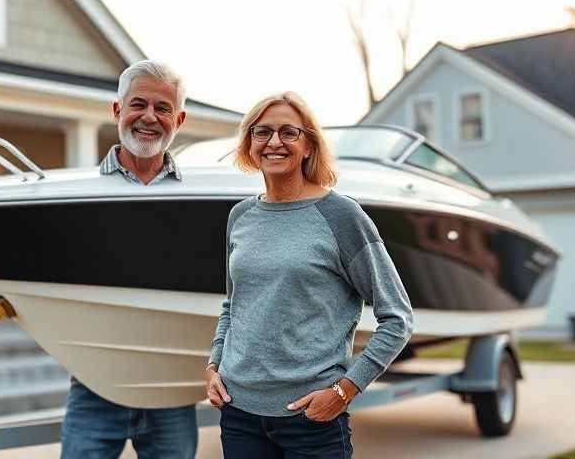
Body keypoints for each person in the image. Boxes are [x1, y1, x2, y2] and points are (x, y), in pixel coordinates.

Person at [205, 92, 413, 458]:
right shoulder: (240, 216)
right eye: (262, 132)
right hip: (239, 416)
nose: (274, 142)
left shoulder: (341, 216)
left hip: (310, 421)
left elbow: (397, 317)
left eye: (288, 132)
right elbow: (233, 305)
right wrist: (213, 365)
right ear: (249, 143)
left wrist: (344, 390)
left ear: (308, 146)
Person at [60, 59, 197, 459]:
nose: (149, 118)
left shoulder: (200, 197)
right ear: (117, 110)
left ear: (180, 119)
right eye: (138, 104)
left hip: (170, 389)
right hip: (94, 385)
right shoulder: (75, 195)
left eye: (163, 108)